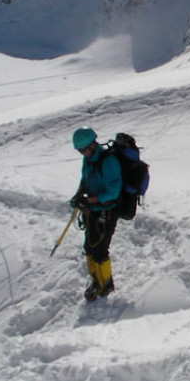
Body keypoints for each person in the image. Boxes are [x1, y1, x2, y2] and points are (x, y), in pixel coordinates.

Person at [70, 127, 122, 301]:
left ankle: (106, 284)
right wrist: (79, 196)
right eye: (80, 151)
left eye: (84, 150)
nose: (82, 153)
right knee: (89, 248)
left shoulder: (108, 161)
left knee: (100, 250)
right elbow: (85, 180)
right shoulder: (89, 160)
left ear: (92, 145)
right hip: (92, 211)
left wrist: (91, 200)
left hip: (107, 211)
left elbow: (114, 191)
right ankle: (96, 280)